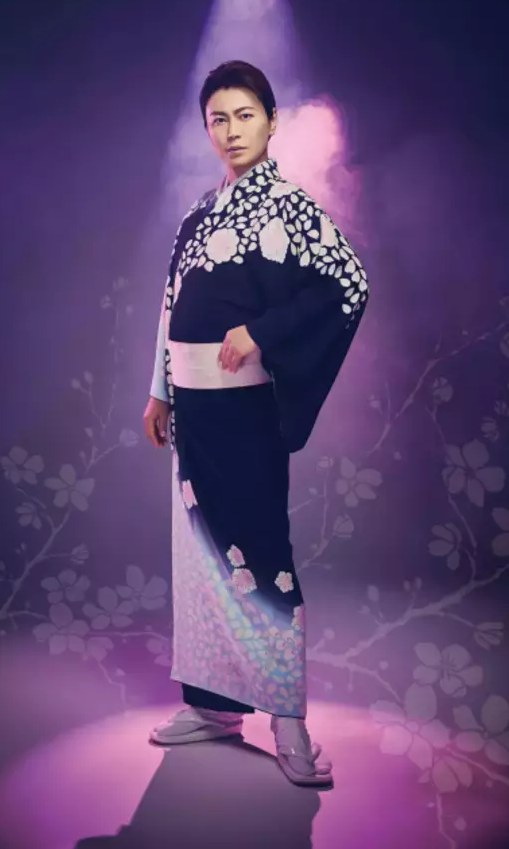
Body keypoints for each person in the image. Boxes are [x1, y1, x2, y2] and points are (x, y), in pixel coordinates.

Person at [143, 60, 369, 787]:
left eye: (245, 115)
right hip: (193, 413)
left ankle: (288, 718)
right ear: (206, 128)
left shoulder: (291, 208)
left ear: (271, 121)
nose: (232, 130)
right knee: (201, 562)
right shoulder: (196, 215)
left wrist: (261, 332)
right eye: (219, 118)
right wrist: (158, 392)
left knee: (262, 557)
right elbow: (169, 305)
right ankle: (213, 707)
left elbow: (348, 283)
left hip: (244, 411)